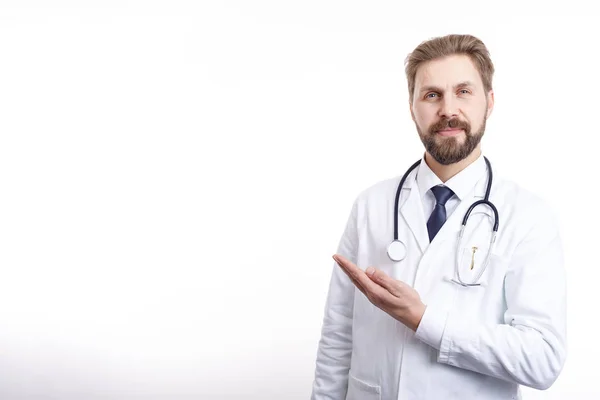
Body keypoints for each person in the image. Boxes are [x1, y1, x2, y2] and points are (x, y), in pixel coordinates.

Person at [310, 34, 567, 400]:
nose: (448, 109)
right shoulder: (371, 205)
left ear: (489, 102)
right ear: (412, 107)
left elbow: (542, 359)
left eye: (464, 91)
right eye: (432, 95)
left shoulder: (527, 217)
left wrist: (424, 320)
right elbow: (338, 336)